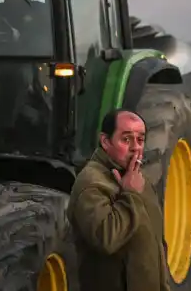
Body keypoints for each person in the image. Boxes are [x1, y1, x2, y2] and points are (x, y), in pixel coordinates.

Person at [67, 108, 170, 291]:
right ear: (106, 142)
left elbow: (155, 244)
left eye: (140, 139)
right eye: (126, 139)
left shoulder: (137, 179)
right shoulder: (91, 183)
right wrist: (130, 195)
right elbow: (106, 238)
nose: (136, 147)